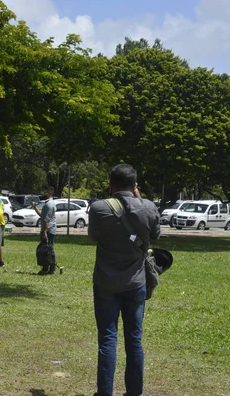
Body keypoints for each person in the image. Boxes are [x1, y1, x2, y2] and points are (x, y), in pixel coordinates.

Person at [87, 164, 160, 396]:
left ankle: (105, 393)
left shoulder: (99, 208)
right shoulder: (148, 207)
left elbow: (92, 237)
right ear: (135, 184)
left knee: (107, 340)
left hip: (105, 283)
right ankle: (134, 392)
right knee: (134, 340)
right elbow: (155, 236)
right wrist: (139, 199)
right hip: (136, 282)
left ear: (111, 184)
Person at [32, 186, 56, 275]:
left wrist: (44, 232)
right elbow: (42, 214)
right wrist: (35, 207)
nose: (44, 193)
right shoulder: (48, 203)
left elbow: (46, 220)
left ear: (49, 193)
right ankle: (51, 269)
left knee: (46, 250)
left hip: (48, 230)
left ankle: (46, 269)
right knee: (49, 248)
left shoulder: (49, 204)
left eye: (45, 192)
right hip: (48, 230)